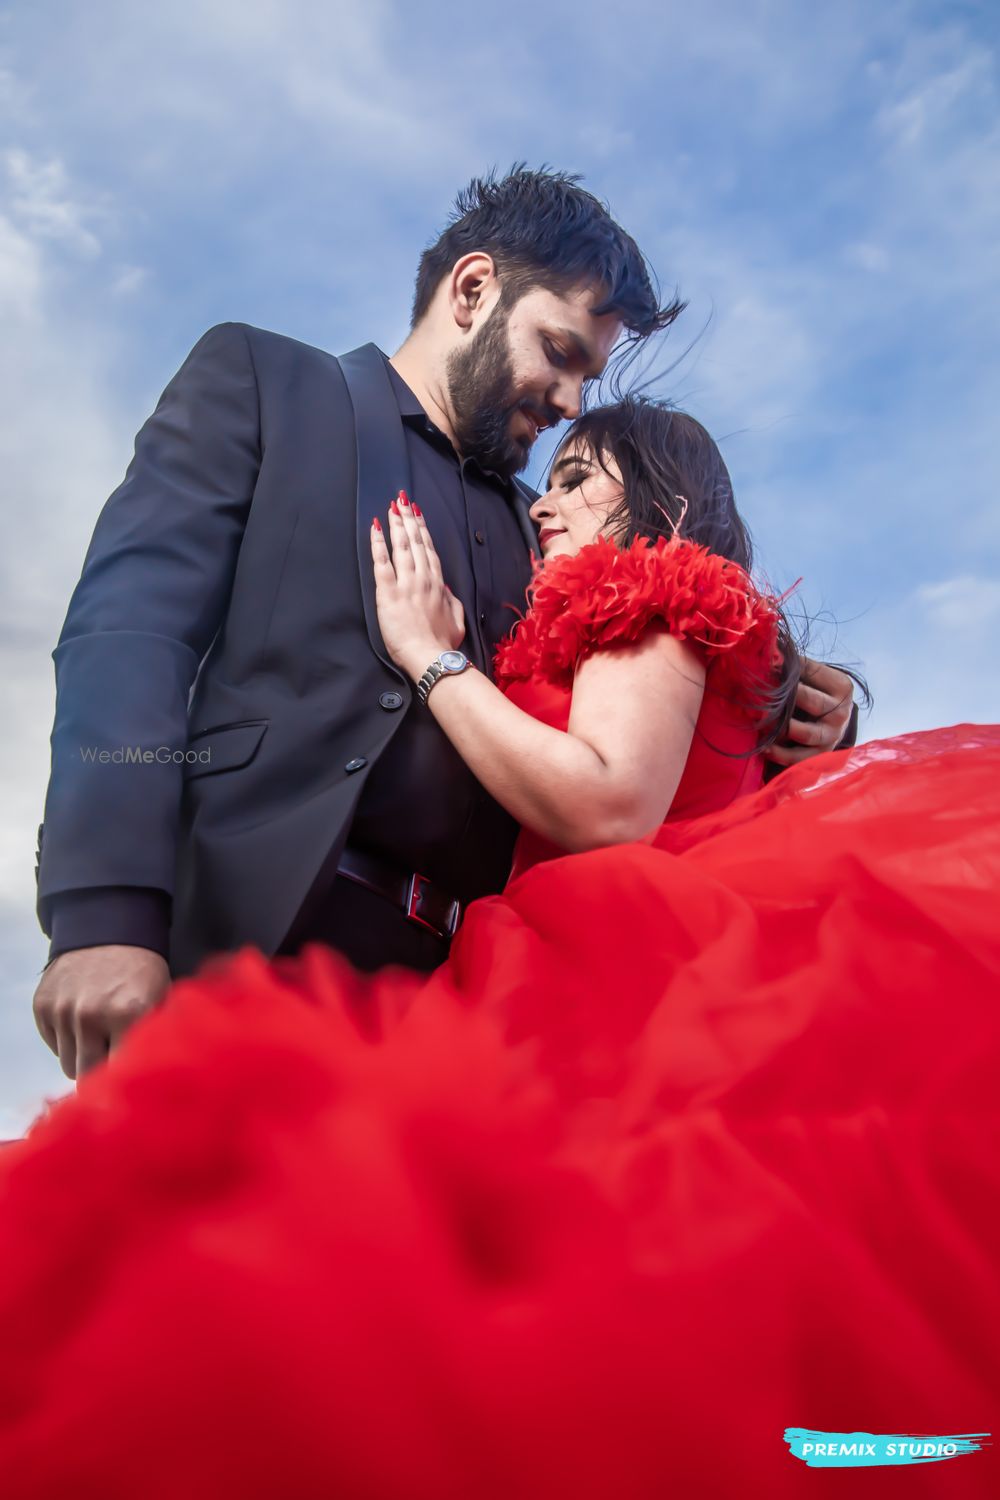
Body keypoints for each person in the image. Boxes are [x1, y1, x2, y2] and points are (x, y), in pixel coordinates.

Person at [1, 400, 995, 1499]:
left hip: (612, 986)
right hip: (615, 976)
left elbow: (609, 801)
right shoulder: (670, 616)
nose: (549, 504)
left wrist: (430, 659)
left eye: (578, 478)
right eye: (551, 480)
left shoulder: (646, 592)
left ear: (656, 501)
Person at [31, 165, 857, 1081]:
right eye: (561, 351)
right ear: (473, 290)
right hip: (243, 944)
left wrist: (798, 706)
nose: (574, 401)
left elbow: (641, 695)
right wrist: (103, 910)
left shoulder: (547, 526)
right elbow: (130, 633)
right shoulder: (269, 384)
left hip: (468, 1022)